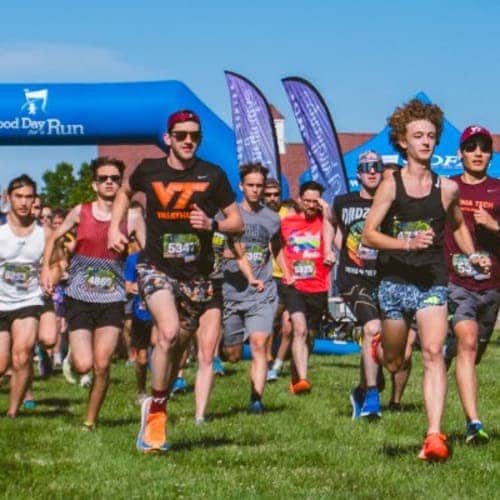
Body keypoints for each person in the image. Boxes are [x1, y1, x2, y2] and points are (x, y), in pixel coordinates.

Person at [108, 109, 243, 453]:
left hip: (196, 277)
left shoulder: (213, 175)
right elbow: (124, 192)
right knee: (167, 333)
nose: (188, 141)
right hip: (156, 267)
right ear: (168, 138)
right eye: (181, 135)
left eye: (194, 136)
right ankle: (156, 414)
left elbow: (237, 222)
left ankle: (157, 399)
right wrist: (114, 227)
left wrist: (212, 224)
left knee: (177, 348)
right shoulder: (149, 169)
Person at [362, 99, 490, 461]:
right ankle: (379, 347)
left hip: (432, 279)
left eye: (431, 136)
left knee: (434, 352)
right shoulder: (391, 184)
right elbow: (369, 234)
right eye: (418, 136)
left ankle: (434, 435)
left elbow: (459, 226)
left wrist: (471, 255)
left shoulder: (447, 188)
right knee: (394, 361)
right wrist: (405, 243)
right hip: (394, 280)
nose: (426, 141)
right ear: (403, 141)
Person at [41, 157, 144, 431]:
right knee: (84, 365)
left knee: (102, 364)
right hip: (79, 298)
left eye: (114, 178)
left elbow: (148, 254)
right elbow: (53, 237)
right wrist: (45, 268)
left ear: (121, 183)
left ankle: (90, 420)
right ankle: (75, 355)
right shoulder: (81, 212)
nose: (109, 182)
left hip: (112, 299)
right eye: (103, 178)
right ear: (94, 184)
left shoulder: (133, 218)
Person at [443, 125, 500, 443]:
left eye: (484, 148)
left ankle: (447, 348)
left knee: (473, 352)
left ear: (491, 155)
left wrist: (494, 226)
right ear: (460, 153)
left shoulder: (498, 189)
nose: (478, 153)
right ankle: (473, 424)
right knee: (467, 342)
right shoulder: (447, 188)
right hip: (455, 281)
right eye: (471, 147)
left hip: (491, 285)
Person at [221, 163, 281, 413]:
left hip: (262, 291)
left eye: (259, 186)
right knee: (232, 354)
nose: (255, 190)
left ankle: (256, 400)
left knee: (259, 343)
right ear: (241, 186)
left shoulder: (273, 218)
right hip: (231, 291)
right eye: (251, 185)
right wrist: (223, 253)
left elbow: (277, 247)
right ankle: (223, 353)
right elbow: (212, 245)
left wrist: (286, 271)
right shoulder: (227, 215)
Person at [0, 175, 49, 418]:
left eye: (28, 197)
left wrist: (51, 274)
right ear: (7, 198)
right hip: (0, 301)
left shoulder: (44, 233)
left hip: (29, 300)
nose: (23, 202)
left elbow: (57, 261)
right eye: (18, 196)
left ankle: (12, 413)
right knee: (1, 363)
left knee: (22, 354)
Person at [279, 181, 334, 394]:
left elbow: (337, 238)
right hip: (294, 285)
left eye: (315, 201)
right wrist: (285, 271)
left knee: (309, 335)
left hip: (318, 285)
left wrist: (326, 209)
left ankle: (296, 376)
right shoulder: (287, 222)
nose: (311, 205)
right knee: (299, 329)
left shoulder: (325, 222)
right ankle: (303, 379)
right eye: (307, 201)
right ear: (300, 200)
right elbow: (275, 246)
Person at [262, 179, 294, 381]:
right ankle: (267, 361)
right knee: (270, 321)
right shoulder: (258, 215)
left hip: (291, 275)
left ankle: (277, 365)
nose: (272, 198)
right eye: (268, 195)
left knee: (288, 326)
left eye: (276, 194)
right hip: (269, 275)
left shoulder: (290, 214)